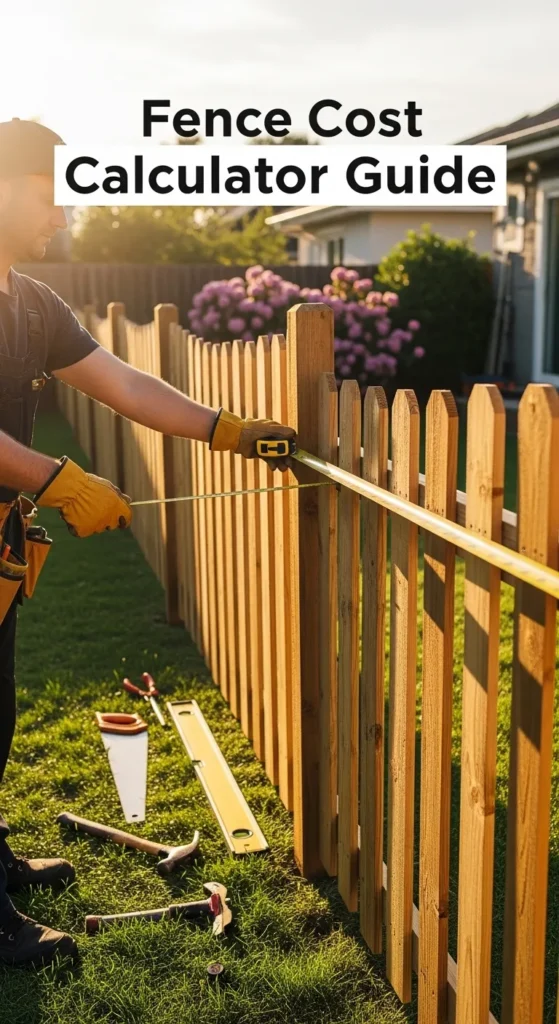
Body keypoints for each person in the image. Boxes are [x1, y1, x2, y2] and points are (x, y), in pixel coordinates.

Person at [0, 117, 296, 966]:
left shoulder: (29, 301)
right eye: (49, 192)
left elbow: (120, 380)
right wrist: (56, 480)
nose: (63, 213)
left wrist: (228, 431)